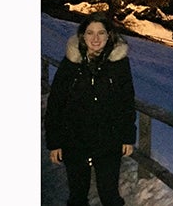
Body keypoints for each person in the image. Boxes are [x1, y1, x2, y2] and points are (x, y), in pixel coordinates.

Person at [45, 12, 136, 206]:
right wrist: (54, 142)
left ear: (109, 35)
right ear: (82, 36)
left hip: (108, 140)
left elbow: (126, 102)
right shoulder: (71, 63)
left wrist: (127, 136)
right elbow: (56, 103)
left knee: (110, 196)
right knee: (77, 197)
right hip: (74, 140)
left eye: (101, 33)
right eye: (90, 32)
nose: (95, 38)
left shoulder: (119, 64)